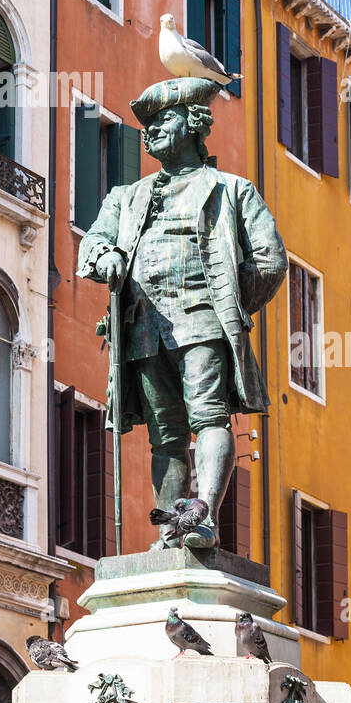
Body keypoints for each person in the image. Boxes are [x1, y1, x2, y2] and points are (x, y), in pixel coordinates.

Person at [78, 76, 287, 549]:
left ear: (193, 124)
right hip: (143, 328)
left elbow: (271, 260)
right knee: (164, 435)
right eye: (147, 124)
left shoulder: (232, 190)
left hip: (202, 318)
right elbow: (92, 242)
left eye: (163, 120)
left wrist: (228, 301)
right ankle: (173, 532)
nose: (151, 131)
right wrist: (104, 256)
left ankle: (204, 518)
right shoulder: (126, 197)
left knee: (208, 417)